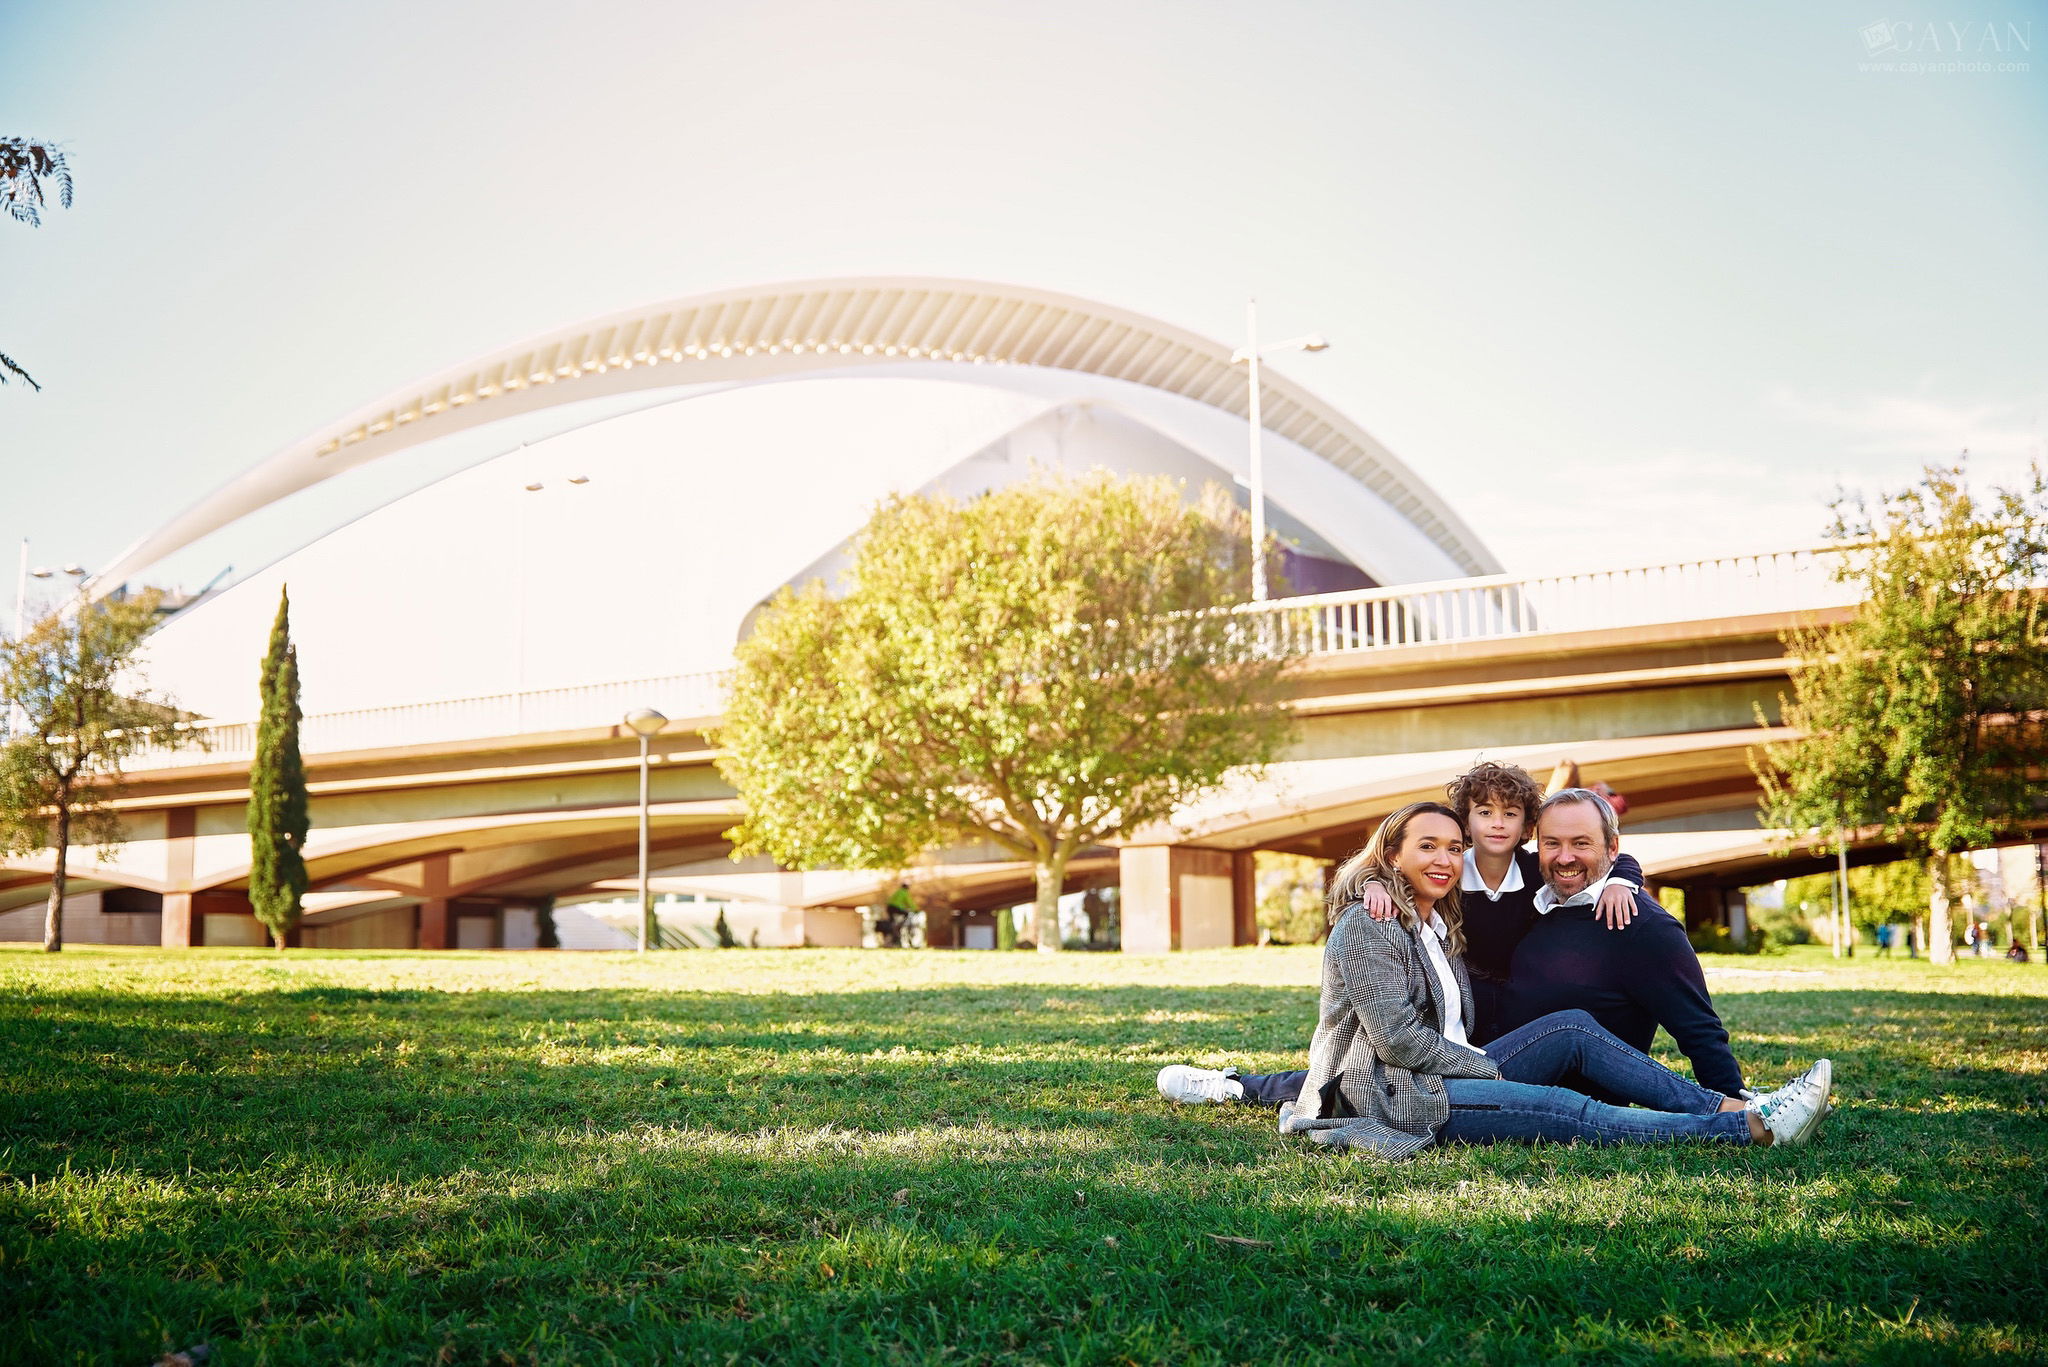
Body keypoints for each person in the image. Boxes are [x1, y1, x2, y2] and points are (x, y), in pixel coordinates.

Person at [1267, 801, 1831, 1158]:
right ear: (1391, 855)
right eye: (1427, 847)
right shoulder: (1371, 920)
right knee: (1567, 1110)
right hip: (1400, 1094)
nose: (1444, 859)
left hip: (1448, 1068)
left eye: (1453, 849)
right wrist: (1368, 880)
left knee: (1573, 1028)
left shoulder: (1440, 917)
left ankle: (1732, 1105)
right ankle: (1750, 1130)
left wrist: (1624, 878)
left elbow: (1585, 853)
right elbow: (1394, 1040)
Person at [1157, 761, 1640, 1107]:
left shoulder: (1536, 869)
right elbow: (1379, 867)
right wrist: (1371, 885)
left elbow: (1605, 857)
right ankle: (1240, 1088)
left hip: (1514, 1010)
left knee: (1551, 1061)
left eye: (1511, 814)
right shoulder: (1447, 869)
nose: (1498, 823)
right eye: (1484, 813)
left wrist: (1623, 879)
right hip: (1449, 1005)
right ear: (1465, 821)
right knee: (1374, 1072)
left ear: (1527, 826)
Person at [1498, 788, 1748, 1099]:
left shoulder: (1642, 926)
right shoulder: (1539, 899)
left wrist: (1735, 1101)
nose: (1564, 858)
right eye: (1552, 843)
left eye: (1581, 843)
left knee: (1571, 1029)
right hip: (1489, 1065)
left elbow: (1699, 1031)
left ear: (1612, 847)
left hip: (1562, 1103)